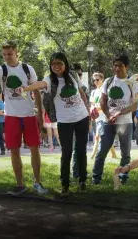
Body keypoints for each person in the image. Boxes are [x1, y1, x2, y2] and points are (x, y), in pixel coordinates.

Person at [0, 40, 48, 195]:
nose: (7, 57)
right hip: (11, 117)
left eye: (10, 54)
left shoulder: (27, 69)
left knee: (34, 150)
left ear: (16, 52)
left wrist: (40, 116)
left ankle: (38, 183)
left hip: (29, 115)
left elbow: (36, 91)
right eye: (4, 54)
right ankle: (20, 184)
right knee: (14, 151)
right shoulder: (0, 69)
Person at [23, 52, 90, 197]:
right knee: (66, 153)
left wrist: (88, 111)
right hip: (64, 122)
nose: (57, 66)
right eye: (54, 64)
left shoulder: (72, 76)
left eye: (60, 63)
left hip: (82, 118)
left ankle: (82, 180)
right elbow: (40, 84)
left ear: (65, 64)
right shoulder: (50, 79)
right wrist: (27, 88)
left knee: (81, 150)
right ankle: (65, 185)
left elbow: (81, 93)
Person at [92, 53, 138, 185]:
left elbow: (135, 105)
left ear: (127, 66)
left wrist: (118, 114)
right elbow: (103, 101)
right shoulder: (108, 81)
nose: (117, 69)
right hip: (108, 122)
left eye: (120, 66)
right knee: (102, 150)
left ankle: (122, 178)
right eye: (115, 66)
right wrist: (108, 115)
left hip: (125, 122)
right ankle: (96, 178)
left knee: (125, 153)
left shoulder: (133, 83)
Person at [89, 72, 116, 159]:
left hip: (104, 117)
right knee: (104, 137)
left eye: (97, 79)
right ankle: (113, 154)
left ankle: (93, 156)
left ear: (102, 80)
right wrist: (92, 110)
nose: (95, 81)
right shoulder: (93, 92)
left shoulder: (105, 91)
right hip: (97, 117)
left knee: (97, 137)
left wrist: (97, 109)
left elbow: (106, 105)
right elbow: (92, 103)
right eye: (94, 80)